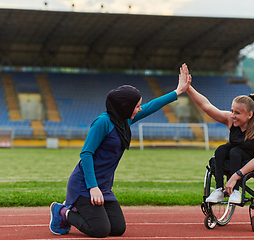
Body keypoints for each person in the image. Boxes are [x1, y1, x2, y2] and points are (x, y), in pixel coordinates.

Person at [49, 63, 190, 238]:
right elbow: (86, 154)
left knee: (118, 229)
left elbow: (151, 106)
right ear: (125, 106)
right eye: (136, 106)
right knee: (100, 230)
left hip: (104, 188)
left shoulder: (125, 120)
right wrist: (93, 187)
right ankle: (62, 211)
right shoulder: (103, 122)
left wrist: (177, 92)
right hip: (84, 186)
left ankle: (81, 209)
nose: (139, 109)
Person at [182, 64, 254, 204]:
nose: (233, 115)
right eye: (232, 111)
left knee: (235, 151)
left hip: (251, 158)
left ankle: (236, 191)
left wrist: (235, 177)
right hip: (235, 155)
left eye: (237, 113)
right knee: (221, 150)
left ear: (250, 115)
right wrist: (188, 88)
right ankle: (218, 190)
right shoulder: (230, 119)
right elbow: (207, 106)